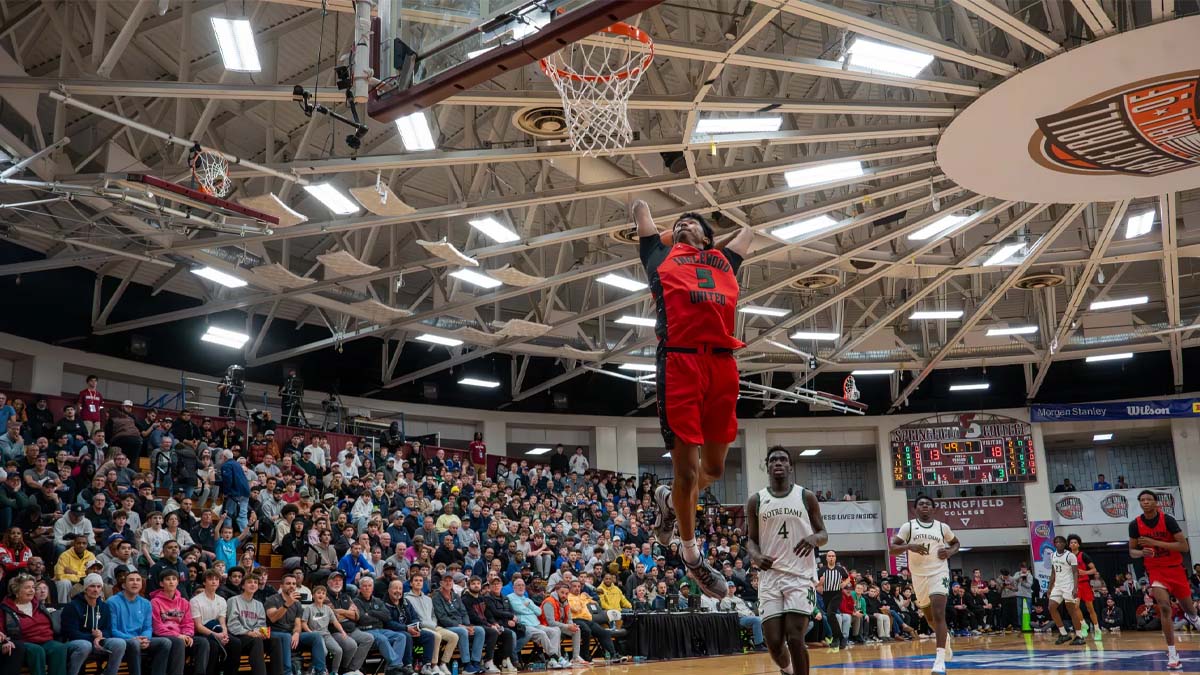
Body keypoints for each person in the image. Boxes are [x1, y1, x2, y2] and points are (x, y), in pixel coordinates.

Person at [633, 199, 754, 600]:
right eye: (679, 222)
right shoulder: (658, 256)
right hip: (679, 362)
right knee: (686, 472)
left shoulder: (724, 263)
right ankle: (692, 557)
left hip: (721, 364)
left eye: (691, 222)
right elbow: (641, 209)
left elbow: (749, 232)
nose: (683, 224)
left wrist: (706, 240)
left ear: (708, 238)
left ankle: (669, 501)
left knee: (714, 469)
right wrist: (675, 233)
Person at [747, 446, 826, 675]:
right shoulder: (756, 500)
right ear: (767, 467)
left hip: (799, 576)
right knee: (773, 643)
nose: (778, 463)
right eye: (773, 460)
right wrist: (756, 556)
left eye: (783, 459)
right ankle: (789, 670)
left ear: (790, 466)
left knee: (795, 637)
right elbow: (751, 540)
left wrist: (813, 539)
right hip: (770, 577)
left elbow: (823, 534)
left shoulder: (805, 496)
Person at [1129, 489, 1200, 670]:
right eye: (1142, 500)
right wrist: (1141, 552)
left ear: (1156, 503)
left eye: (1148, 499)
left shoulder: (1168, 520)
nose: (1145, 502)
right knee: (1165, 607)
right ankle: (1173, 653)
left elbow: (1183, 547)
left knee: (1190, 609)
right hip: (1156, 570)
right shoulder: (1135, 525)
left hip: (1175, 569)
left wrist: (1155, 543)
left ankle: (1192, 617)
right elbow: (1132, 551)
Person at [889, 494, 959, 675]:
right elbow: (892, 549)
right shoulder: (908, 527)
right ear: (915, 509)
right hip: (919, 576)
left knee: (938, 614)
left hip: (939, 572)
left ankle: (939, 661)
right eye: (921, 504)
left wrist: (949, 551)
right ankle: (945, 638)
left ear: (933, 509)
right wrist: (908, 547)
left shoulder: (942, 527)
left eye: (928, 504)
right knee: (929, 618)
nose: (925, 506)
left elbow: (956, 543)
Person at [3, 573, 74, 675]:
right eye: (27, 587)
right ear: (16, 591)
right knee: (37, 651)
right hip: (23, 642)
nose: (32, 590)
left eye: (33, 587)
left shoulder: (38, 604)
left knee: (60, 648)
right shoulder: (6, 608)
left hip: (45, 640)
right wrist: (5, 641)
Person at [108, 571, 175, 675]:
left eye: (138, 580)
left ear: (141, 585)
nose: (135, 582)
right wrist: (134, 639)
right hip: (123, 640)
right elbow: (113, 630)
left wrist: (145, 639)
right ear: (124, 585)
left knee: (165, 642)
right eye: (131, 580)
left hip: (141, 639)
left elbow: (148, 627)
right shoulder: (112, 602)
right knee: (134, 643)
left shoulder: (146, 603)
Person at [61, 572, 127, 675]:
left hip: (99, 641)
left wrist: (101, 635)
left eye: (99, 586)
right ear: (85, 588)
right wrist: (93, 637)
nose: (95, 590)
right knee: (85, 645)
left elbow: (108, 630)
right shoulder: (72, 606)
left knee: (120, 643)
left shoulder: (104, 607)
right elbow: (70, 632)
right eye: (92, 586)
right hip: (77, 642)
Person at [265, 574, 327, 675]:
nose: (292, 586)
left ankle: (320, 670)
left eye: (294, 584)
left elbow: (298, 624)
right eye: (288, 583)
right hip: (275, 633)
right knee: (286, 636)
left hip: (291, 634)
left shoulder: (297, 603)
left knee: (316, 636)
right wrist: (287, 604)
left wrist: (297, 633)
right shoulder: (272, 599)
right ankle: (287, 672)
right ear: (281, 586)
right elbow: (273, 618)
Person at [150, 569, 204, 675]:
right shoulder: (155, 602)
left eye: (174, 579)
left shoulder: (184, 602)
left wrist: (187, 635)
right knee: (178, 642)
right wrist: (178, 635)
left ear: (178, 582)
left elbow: (188, 623)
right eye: (167, 579)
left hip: (182, 635)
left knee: (202, 642)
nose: (171, 582)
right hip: (164, 635)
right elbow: (157, 626)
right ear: (161, 583)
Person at [507, 577, 568, 669]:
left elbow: (539, 611)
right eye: (518, 585)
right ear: (514, 587)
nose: (521, 587)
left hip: (536, 624)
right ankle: (556, 657)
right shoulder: (510, 597)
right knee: (541, 633)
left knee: (555, 630)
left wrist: (529, 606)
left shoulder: (527, 599)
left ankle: (553, 661)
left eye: (523, 585)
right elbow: (518, 609)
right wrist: (530, 609)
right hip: (525, 625)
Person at [354, 576, 409, 675]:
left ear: (373, 588)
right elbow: (362, 619)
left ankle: (392, 667)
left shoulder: (377, 600)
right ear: (360, 588)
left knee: (401, 637)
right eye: (364, 586)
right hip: (366, 631)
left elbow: (387, 616)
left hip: (380, 629)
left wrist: (371, 613)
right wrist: (378, 616)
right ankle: (396, 666)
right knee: (382, 639)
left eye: (369, 586)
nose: (367, 588)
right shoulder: (355, 601)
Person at [407, 572, 458, 675]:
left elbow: (433, 615)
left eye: (420, 581)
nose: (418, 582)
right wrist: (430, 625)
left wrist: (433, 624)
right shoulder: (407, 598)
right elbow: (413, 618)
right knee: (437, 636)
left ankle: (443, 664)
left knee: (454, 637)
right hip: (420, 627)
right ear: (411, 583)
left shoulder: (428, 599)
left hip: (433, 626)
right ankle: (433, 665)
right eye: (416, 580)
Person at [433, 573, 483, 673]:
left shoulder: (456, 596)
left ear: (453, 583)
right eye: (446, 581)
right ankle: (466, 664)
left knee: (480, 630)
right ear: (441, 583)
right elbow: (442, 618)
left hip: (462, 624)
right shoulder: (436, 598)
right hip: (447, 626)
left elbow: (464, 612)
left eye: (450, 581)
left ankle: (476, 662)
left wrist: (468, 625)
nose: (448, 583)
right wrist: (461, 626)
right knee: (462, 631)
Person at [224, 573, 268, 675]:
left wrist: (257, 632)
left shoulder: (259, 604)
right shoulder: (233, 600)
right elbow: (232, 623)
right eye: (249, 582)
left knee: (275, 641)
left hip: (253, 636)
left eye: (255, 582)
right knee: (256, 641)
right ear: (243, 586)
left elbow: (261, 623)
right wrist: (248, 632)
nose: (253, 584)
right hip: (238, 636)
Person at [1046, 535, 1086, 646]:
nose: (1058, 543)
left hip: (1068, 585)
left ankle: (1079, 636)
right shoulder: (1052, 555)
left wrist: (1075, 588)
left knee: (1071, 610)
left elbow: (1075, 572)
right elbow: (1053, 572)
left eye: (1061, 542)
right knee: (1051, 607)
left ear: (1065, 544)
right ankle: (1064, 634)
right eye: (1056, 542)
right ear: (1054, 544)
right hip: (1058, 585)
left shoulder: (1070, 555)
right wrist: (1049, 587)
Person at [190, 570, 230, 675]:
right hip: (202, 633)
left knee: (235, 643)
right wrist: (217, 635)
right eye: (211, 579)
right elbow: (198, 626)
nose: (214, 582)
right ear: (204, 582)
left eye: (216, 579)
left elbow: (222, 622)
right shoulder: (195, 601)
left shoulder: (222, 600)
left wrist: (224, 634)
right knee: (213, 645)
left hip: (217, 630)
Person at [1066, 534, 1102, 642]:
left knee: (1090, 608)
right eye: (1071, 542)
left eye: (1075, 542)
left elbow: (1094, 570)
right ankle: (1083, 624)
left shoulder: (1083, 555)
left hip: (1085, 583)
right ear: (1069, 545)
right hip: (1074, 585)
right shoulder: (1067, 557)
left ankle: (1097, 629)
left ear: (1078, 544)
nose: (1073, 544)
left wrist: (1085, 572)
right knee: (1075, 606)